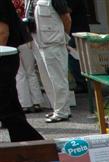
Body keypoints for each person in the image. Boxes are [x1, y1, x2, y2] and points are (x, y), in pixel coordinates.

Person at [0, 0, 43, 140]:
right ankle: (31, 144)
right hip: (6, 57)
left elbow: (2, 33)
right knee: (10, 107)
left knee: (9, 109)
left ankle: (33, 146)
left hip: (4, 57)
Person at [27, 0, 71, 123]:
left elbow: (66, 18)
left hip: (54, 43)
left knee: (57, 78)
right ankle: (58, 108)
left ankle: (62, 111)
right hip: (39, 41)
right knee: (46, 79)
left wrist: (65, 38)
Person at [12, 0, 42, 113]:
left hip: (14, 40)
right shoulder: (25, 3)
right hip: (26, 38)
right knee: (31, 72)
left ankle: (25, 103)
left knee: (20, 73)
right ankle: (37, 102)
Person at [65, 0, 88, 93]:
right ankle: (82, 82)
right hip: (77, 30)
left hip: (76, 31)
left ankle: (81, 83)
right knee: (77, 57)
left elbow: (67, 11)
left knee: (73, 57)